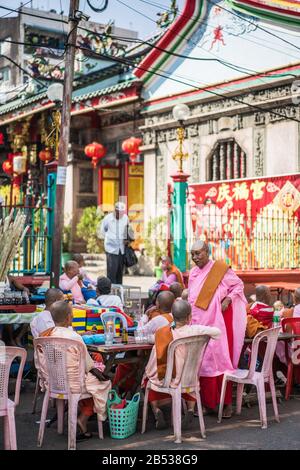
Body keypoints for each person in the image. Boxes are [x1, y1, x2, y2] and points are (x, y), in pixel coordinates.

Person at [188, 240, 247, 419]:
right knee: (202, 364)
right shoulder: (192, 273)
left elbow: (238, 285)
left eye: (198, 253)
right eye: (192, 254)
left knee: (221, 362)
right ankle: (207, 404)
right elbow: (191, 298)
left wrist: (228, 299)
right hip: (198, 323)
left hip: (216, 323)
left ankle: (225, 403)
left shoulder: (220, 269)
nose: (195, 257)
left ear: (207, 252)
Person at [143, 299, 220, 430]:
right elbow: (217, 332)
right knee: (188, 378)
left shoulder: (162, 333)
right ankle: (190, 409)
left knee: (148, 377)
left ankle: (156, 412)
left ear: (172, 315)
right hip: (189, 380)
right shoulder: (195, 330)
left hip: (169, 380)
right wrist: (199, 328)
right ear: (190, 317)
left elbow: (153, 363)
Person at [39, 301, 111, 439]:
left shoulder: (44, 336)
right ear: (68, 318)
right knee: (102, 384)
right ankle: (84, 417)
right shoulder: (74, 337)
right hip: (74, 385)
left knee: (92, 382)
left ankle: (82, 415)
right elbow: (87, 363)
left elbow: (40, 363)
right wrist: (99, 374)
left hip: (54, 383)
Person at [99, 201, 133, 284]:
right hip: (111, 249)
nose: (120, 215)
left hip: (121, 249)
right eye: (118, 212)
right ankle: (110, 292)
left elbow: (127, 229)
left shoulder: (125, 218)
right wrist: (110, 239)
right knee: (111, 273)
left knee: (119, 272)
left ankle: (118, 292)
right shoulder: (108, 218)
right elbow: (102, 231)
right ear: (115, 210)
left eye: (121, 213)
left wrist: (127, 239)